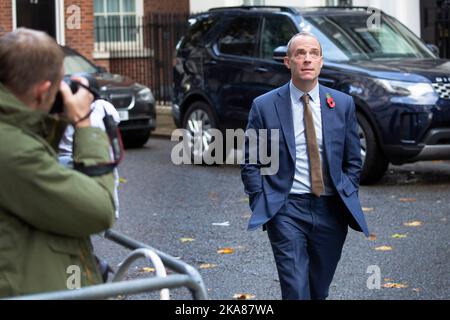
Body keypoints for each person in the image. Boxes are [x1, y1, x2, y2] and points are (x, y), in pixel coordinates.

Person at [241, 32, 370, 300]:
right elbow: (251, 161)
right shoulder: (264, 106)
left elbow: (353, 159)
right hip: (286, 210)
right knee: (296, 289)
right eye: (300, 54)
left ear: (321, 61)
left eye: (313, 53)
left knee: (318, 290)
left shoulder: (342, 104)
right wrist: (260, 200)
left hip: (331, 210)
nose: (307, 59)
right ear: (288, 62)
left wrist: (348, 191)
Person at [0, 28, 116, 297]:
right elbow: (99, 210)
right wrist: (84, 124)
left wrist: (54, 117)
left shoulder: (12, 136)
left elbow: (39, 161)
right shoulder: (14, 152)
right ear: (42, 92)